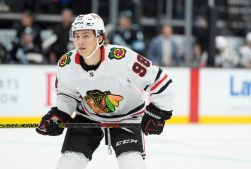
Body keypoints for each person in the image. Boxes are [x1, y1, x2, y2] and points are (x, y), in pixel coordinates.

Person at [35, 13, 174, 169]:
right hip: (88, 116)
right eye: (77, 36)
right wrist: (59, 115)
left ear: (100, 38)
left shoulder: (122, 58)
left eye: (86, 36)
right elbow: (67, 95)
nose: (80, 42)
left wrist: (158, 112)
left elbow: (160, 80)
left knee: (132, 163)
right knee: (68, 163)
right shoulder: (66, 63)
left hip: (127, 117)